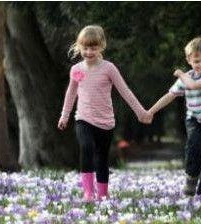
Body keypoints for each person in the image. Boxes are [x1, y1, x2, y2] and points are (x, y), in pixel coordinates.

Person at [57, 25, 152, 201]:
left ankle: (102, 193)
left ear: (101, 46)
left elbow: (125, 91)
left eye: (93, 48)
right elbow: (71, 93)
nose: (88, 52)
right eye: (85, 48)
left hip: (105, 122)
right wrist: (65, 115)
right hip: (83, 119)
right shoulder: (77, 70)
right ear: (79, 47)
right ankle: (88, 192)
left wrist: (141, 112)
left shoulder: (109, 69)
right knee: (86, 147)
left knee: (102, 158)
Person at [148, 36, 201, 199]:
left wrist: (181, 74)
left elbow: (193, 85)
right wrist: (151, 111)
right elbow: (170, 95)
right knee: (195, 144)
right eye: (197, 61)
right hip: (194, 119)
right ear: (189, 60)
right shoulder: (187, 76)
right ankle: (191, 179)